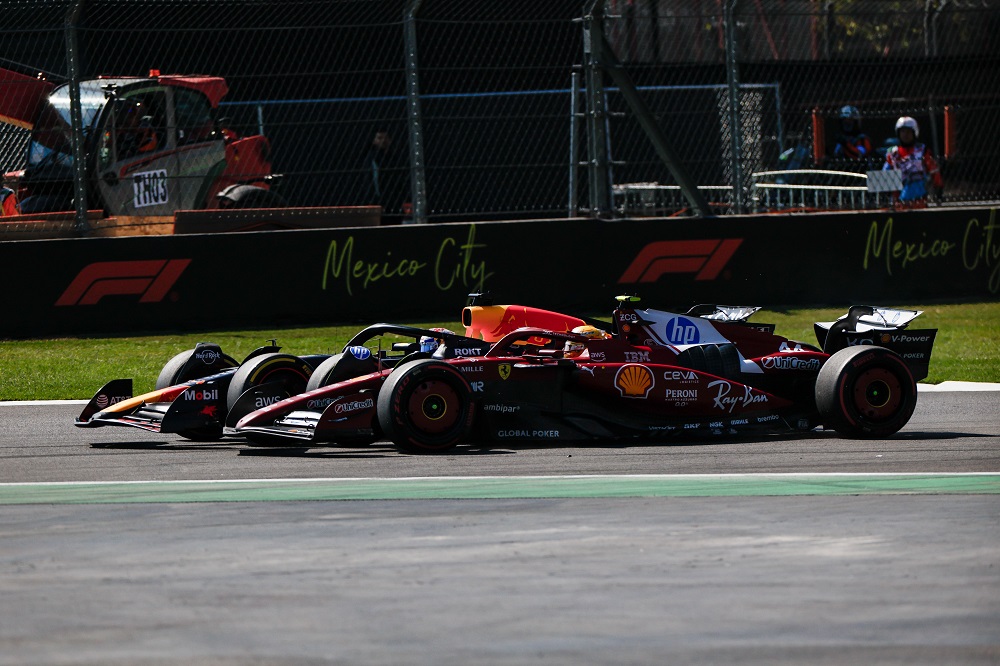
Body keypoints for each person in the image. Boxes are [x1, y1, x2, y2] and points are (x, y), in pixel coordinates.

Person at [883, 116, 943, 206]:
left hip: (919, 199)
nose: (905, 135)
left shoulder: (922, 151)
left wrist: (938, 188)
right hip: (898, 200)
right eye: (902, 131)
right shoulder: (892, 153)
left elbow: (934, 171)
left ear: (915, 132)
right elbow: (884, 174)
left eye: (908, 131)